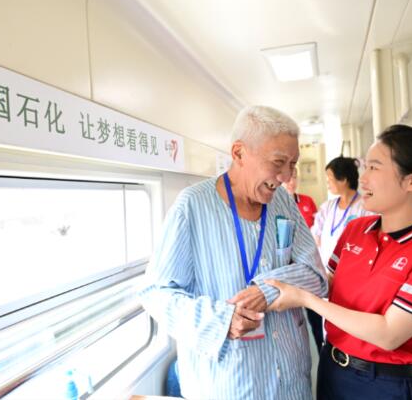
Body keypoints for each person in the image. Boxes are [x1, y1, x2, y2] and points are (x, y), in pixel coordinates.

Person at [265, 124, 412, 399]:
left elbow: (389, 334)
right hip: (332, 370)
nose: (363, 179)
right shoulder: (356, 230)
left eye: (374, 167)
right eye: (365, 167)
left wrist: (305, 299)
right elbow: (329, 284)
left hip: (386, 384)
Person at [140, 106, 327, 400]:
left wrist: (267, 291)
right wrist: (220, 320)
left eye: (293, 164)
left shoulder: (283, 202)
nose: (286, 176)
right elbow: (155, 294)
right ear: (239, 153)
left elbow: (316, 275)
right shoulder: (192, 206)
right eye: (278, 162)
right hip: (231, 384)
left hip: (292, 382)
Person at [282, 171, 324, 354]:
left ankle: (321, 350)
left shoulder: (307, 201)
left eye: (294, 177)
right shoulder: (275, 204)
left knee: (315, 316)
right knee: (291, 320)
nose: (291, 182)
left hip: (307, 267)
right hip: (287, 269)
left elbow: (316, 232)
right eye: (287, 178)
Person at [311, 156, 370, 267]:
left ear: (343, 180)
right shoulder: (327, 207)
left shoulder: (365, 208)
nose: (327, 184)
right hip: (324, 269)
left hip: (351, 269)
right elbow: (315, 236)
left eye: (330, 179)